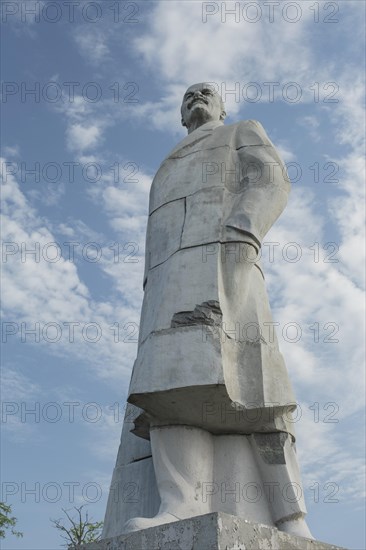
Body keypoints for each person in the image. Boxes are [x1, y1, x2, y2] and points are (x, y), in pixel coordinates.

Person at [102, 83, 313, 540]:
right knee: (166, 385)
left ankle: (290, 517)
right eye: (188, 94)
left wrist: (244, 230)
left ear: (222, 105)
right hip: (167, 282)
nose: (197, 94)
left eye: (207, 91)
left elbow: (271, 178)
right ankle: (181, 502)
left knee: (261, 390)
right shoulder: (167, 162)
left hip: (227, 260)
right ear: (181, 114)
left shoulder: (240, 131)